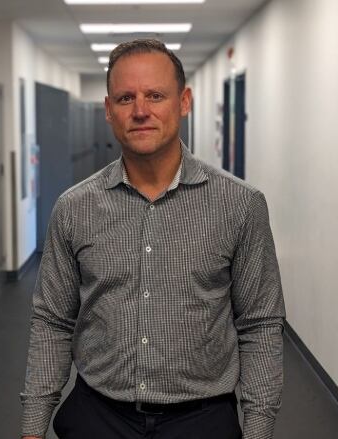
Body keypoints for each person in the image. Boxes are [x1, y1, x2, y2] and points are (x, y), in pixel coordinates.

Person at [20, 39, 286, 439]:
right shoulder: (74, 208)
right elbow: (53, 321)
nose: (140, 110)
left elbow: (260, 323)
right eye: (126, 98)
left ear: (183, 101)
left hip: (202, 421)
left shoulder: (240, 205)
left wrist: (259, 430)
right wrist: (32, 429)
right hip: (99, 419)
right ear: (109, 110)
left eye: (155, 95)